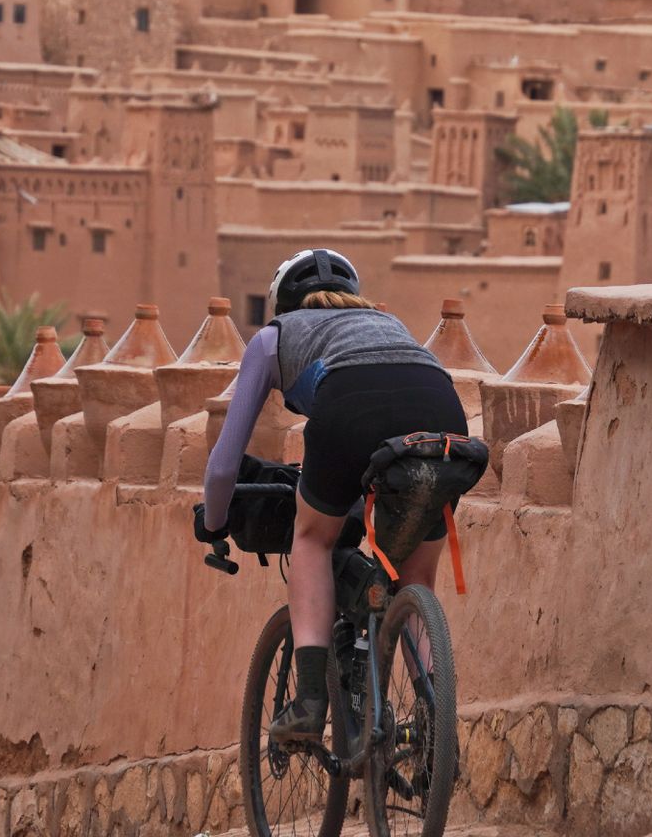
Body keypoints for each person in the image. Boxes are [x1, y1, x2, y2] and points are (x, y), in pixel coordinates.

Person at [196, 249, 467, 744]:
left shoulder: (272, 337)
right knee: (416, 577)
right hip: (444, 416)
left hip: (349, 409)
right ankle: (435, 724)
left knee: (313, 540)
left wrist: (214, 523)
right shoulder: (385, 323)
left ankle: (310, 701)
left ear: (282, 303)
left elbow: (222, 465)